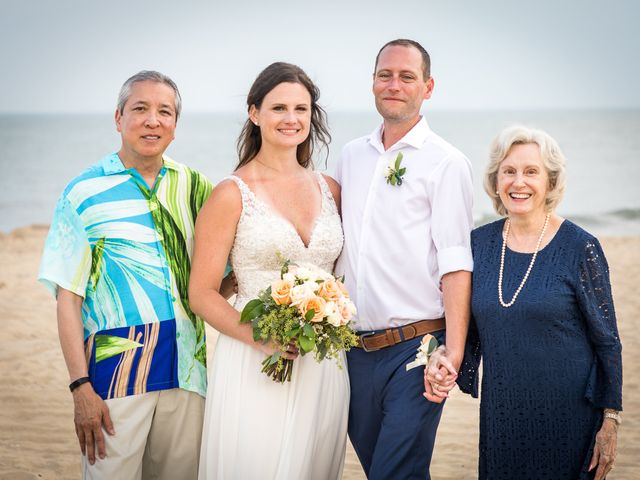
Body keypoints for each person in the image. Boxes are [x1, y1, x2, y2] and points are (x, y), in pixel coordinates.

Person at [38, 71, 235, 479]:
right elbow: (67, 299)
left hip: (186, 369)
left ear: (175, 126)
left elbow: (223, 277)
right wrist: (80, 388)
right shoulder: (83, 193)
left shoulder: (195, 186)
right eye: (140, 109)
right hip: (116, 373)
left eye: (165, 112)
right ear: (118, 118)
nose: (153, 120)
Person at [426, 125, 623, 480]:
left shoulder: (580, 248)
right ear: (496, 180)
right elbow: (464, 327)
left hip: (570, 416)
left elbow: (607, 341)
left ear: (550, 181)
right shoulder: (479, 245)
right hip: (503, 416)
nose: (519, 183)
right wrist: (442, 353)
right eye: (509, 171)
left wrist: (609, 421)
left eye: (531, 172)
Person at [189, 62, 348, 480]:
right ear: (254, 112)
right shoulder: (230, 194)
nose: (291, 119)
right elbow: (202, 293)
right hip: (253, 358)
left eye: (301, 108)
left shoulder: (330, 189)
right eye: (279, 108)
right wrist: (261, 337)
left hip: (323, 361)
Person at [334, 39, 474, 479]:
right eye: (385, 75)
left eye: (407, 77)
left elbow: (456, 262)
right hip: (352, 352)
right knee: (386, 470)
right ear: (373, 82)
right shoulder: (351, 155)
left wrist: (452, 352)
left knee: (395, 472)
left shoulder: (447, 162)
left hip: (417, 350)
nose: (394, 85)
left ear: (427, 87)